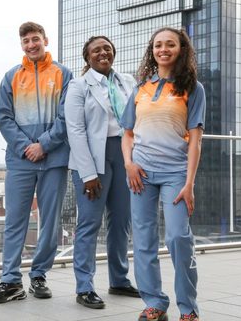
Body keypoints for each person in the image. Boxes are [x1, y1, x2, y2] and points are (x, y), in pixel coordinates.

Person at [121, 27, 205, 321]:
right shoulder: (140, 88)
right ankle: (154, 302)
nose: (163, 49)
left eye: (170, 44)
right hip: (140, 173)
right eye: (158, 45)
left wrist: (189, 183)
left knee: (178, 238)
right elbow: (127, 133)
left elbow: (195, 139)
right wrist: (128, 164)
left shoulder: (192, 88)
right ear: (152, 50)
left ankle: (188, 308)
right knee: (143, 240)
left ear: (181, 49)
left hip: (175, 174)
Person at [0, 21, 72, 304]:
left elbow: (66, 116)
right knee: (15, 221)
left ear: (45, 40)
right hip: (21, 160)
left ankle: (39, 274)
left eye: (35, 39)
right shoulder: (11, 76)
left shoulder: (63, 74)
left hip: (54, 158)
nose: (31, 45)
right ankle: (10, 280)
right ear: (21, 45)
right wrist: (26, 147)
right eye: (26, 41)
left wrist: (44, 145)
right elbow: (3, 117)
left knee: (50, 221)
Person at [65, 36, 140, 309]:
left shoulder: (128, 81)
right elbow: (75, 130)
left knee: (121, 221)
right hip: (93, 159)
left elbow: (136, 121)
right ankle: (84, 287)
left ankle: (119, 280)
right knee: (89, 223)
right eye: (96, 50)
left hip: (124, 156)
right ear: (88, 57)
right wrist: (87, 173)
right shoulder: (78, 86)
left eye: (107, 48)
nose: (103, 53)